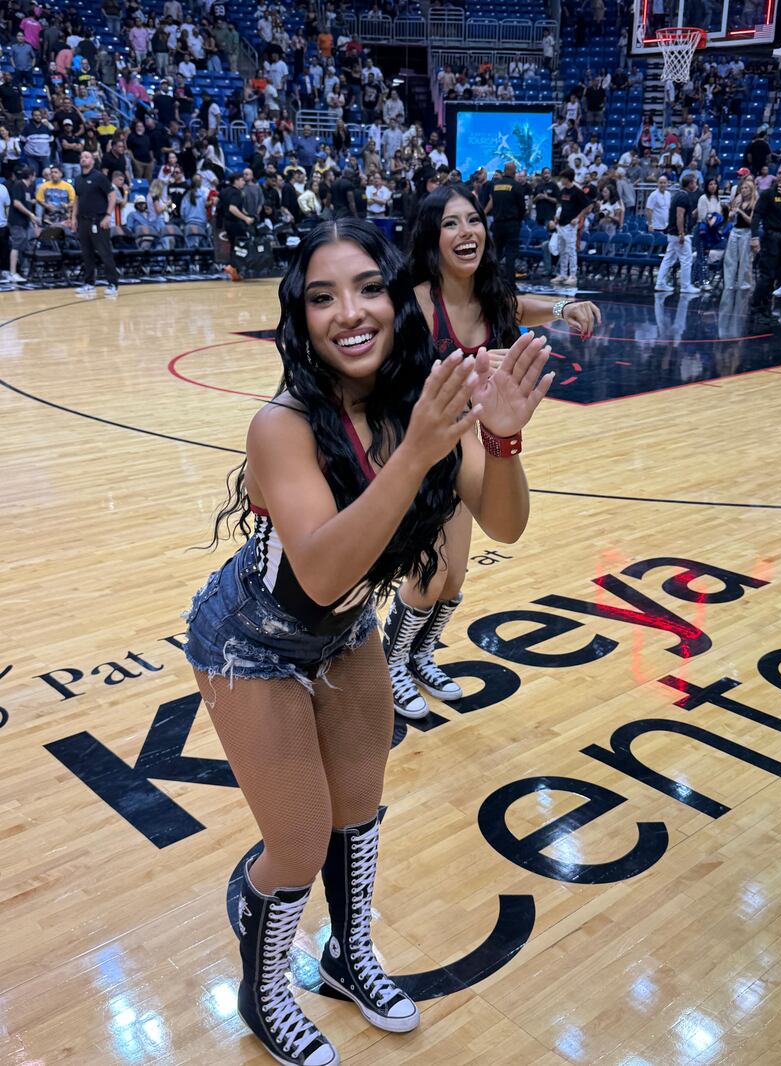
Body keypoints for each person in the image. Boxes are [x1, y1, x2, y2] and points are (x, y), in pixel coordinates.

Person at [182, 218, 555, 1064]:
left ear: (398, 296)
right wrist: (420, 449)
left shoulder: (426, 398)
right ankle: (264, 988)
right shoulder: (280, 425)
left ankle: (349, 957)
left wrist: (496, 439)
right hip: (250, 642)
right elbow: (317, 573)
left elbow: (505, 521)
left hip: (345, 631)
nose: (348, 311)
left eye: (367, 287)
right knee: (299, 843)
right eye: (322, 296)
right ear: (301, 317)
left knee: (360, 817)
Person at [382, 184, 600, 717]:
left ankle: (421, 653)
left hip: (465, 446)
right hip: (419, 448)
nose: (466, 232)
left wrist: (565, 307)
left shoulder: (491, 296)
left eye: (473, 220)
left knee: (454, 578)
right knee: (429, 574)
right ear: (432, 238)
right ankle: (391, 663)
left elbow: (522, 306)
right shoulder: (412, 303)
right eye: (451, 223)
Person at [70, 149, 120, 298]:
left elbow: (112, 195)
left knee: (104, 252)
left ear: (92, 160)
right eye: (81, 157)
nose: (83, 159)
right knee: (87, 254)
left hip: (99, 220)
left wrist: (107, 216)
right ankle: (89, 283)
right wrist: (73, 218)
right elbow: (77, 200)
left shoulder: (99, 177)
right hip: (83, 221)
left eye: (86, 157)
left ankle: (113, 284)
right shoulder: (78, 179)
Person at [750, 164, 781, 314]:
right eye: (780, 172)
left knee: (780, 278)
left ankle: (767, 309)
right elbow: (757, 214)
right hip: (771, 238)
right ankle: (757, 309)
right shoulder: (768, 194)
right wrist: (754, 237)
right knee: (767, 276)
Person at [482, 161, 529, 288]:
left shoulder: (495, 185)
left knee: (496, 253)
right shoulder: (516, 186)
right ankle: (510, 283)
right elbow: (522, 208)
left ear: (504, 171)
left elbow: (492, 202)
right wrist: (518, 221)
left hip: (497, 224)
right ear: (514, 172)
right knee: (510, 255)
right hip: (511, 224)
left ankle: (492, 282)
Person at [654, 174, 701, 295]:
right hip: (678, 233)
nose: (696, 185)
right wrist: (682, 233)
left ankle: (660, 283)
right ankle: (685, 286)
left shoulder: (677, 195)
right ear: (690, 184)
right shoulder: (683, 197)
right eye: (694, 182)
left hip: (672, 232)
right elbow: (680, 216)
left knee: (668, 258)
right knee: (686, 259)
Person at [552, 167, 591, 286]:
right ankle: (563, 274)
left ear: (567, 179)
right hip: (561, 224)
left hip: (570, 225)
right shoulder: (562, 191)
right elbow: (561, 206)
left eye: (562, 178)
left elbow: (587, 207)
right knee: (562, 250)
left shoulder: (577, 191)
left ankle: (573, 275)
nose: (561, 180)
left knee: (571, 251)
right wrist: (557, 217)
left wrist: (578, 218)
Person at [723, 173, 756, 291]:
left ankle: (744, 284)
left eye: (746, 188)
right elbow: (730, 217)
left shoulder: (753, 203)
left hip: (746, 232)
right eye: (742, 188)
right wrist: (731, 214)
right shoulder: (738, 200)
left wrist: (741, 212)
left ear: (751, 190)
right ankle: (729, 284)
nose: (744, 190)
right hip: (735, 230)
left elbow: (751, 221)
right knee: (730, 259)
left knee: (745, 260)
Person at [7, 165, 39, 283]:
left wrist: (33, 220)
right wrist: (30, 214)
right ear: (31, 176)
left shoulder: (29, 188)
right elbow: (16, 203)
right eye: (35, 175)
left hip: (25, 222)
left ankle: (23, 270)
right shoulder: (19, 185)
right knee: (17, 244)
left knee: (25, 244)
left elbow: (29, 204)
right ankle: (12, 272)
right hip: (16, 221)